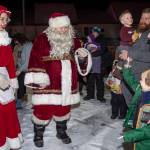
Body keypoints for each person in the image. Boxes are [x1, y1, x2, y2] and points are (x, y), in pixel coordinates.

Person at [24, 12, 92, 147]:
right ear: (53, 27)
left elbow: (79, 59)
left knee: (63, 109)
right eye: (61, 27)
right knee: (43, 110)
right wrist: (39, 78)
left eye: (66, 27)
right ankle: (38, 134)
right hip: (48, 82)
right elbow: (35, 58)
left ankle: (61, 131)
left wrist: (83, 56)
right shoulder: (42, 39)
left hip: (67, 83)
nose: (64, 30)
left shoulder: (74, 40)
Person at [0, 5, 23, 149]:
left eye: (5, 20)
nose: (4, 22)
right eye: (1, 19)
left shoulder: (5, 39)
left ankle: (8, 142)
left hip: (6, 81)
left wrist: (13, 82)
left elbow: (9, 64)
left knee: (8, 112)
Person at [120, 64, 150, 150]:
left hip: (143, 138)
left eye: (142, 80)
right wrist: (126, 68)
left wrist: (131, 135)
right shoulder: (140, 89)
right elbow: (131, 80)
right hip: (134, 122)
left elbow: (147, 131)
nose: (139, 81)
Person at [83, 26, 106, 102]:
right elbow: (85, 48)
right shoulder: (89, 39)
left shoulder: (102, 40)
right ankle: (90, 95)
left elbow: (102, 50)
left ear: (98, 33)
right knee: (90, 80)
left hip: (99, 63)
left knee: (99, 80)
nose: (94, 33)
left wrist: (93, 51)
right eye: (93, 32)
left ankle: (100, 97)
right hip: (90, 62)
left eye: (96, 32)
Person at [14, 33, 33, 109]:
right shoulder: (18, 47)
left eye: (16, 41)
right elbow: (17, 59)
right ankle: (18, 102)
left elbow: (27, 61)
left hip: (28, 68)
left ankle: (30, 102)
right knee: (18, 85)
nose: (15, 42)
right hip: (21, 69)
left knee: (28, 85)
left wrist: (20, 70)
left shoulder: (28, 45)